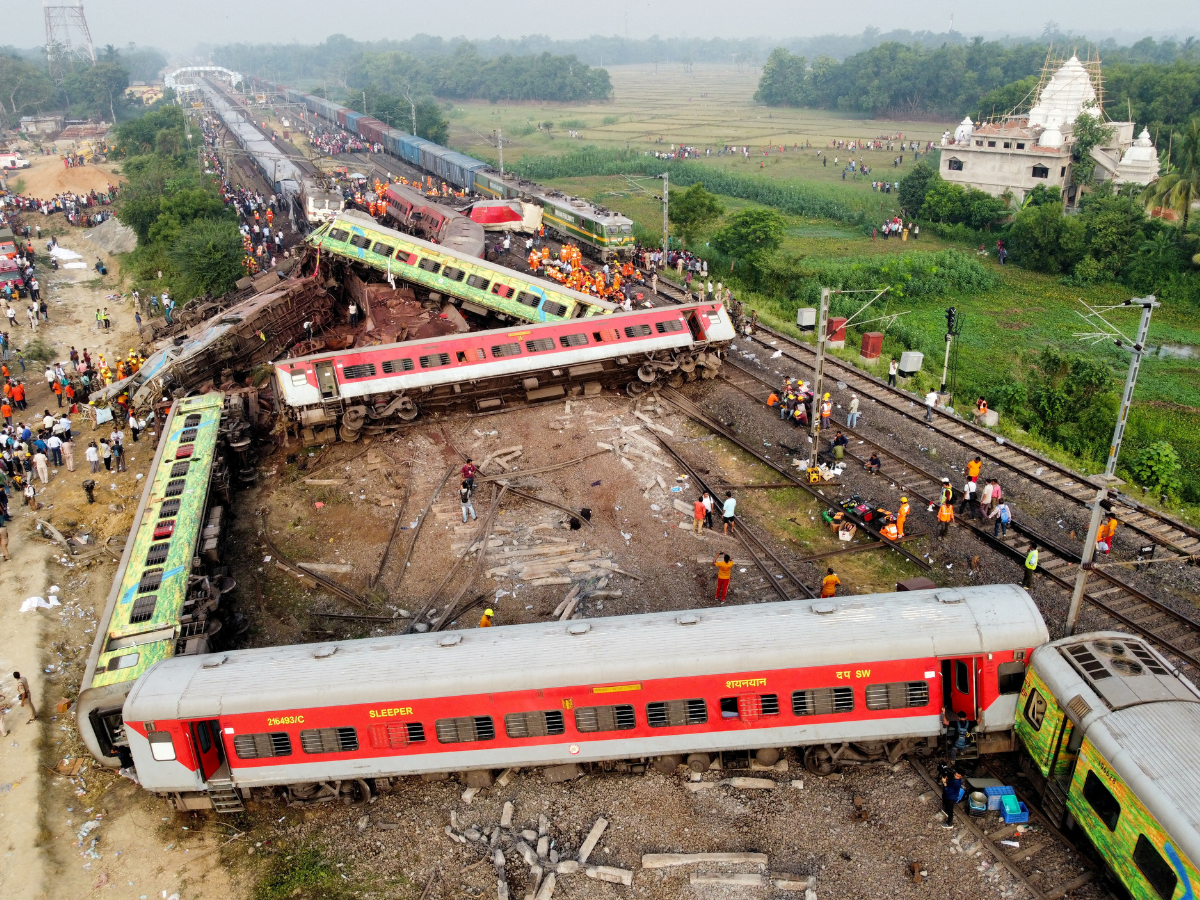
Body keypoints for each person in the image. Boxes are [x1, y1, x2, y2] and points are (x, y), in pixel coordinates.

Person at [940, 762, 963, 828]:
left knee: (950, 811)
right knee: (946, 803)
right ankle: (946, 811)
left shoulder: (957, 784)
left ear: (961, 777)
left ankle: (949, 824)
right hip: (949, 796)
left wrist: (944, 782)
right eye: (955, 774)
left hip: (952, 798)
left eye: (957, 776)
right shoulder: (954, 778)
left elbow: (948, 791)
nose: (955, 776)